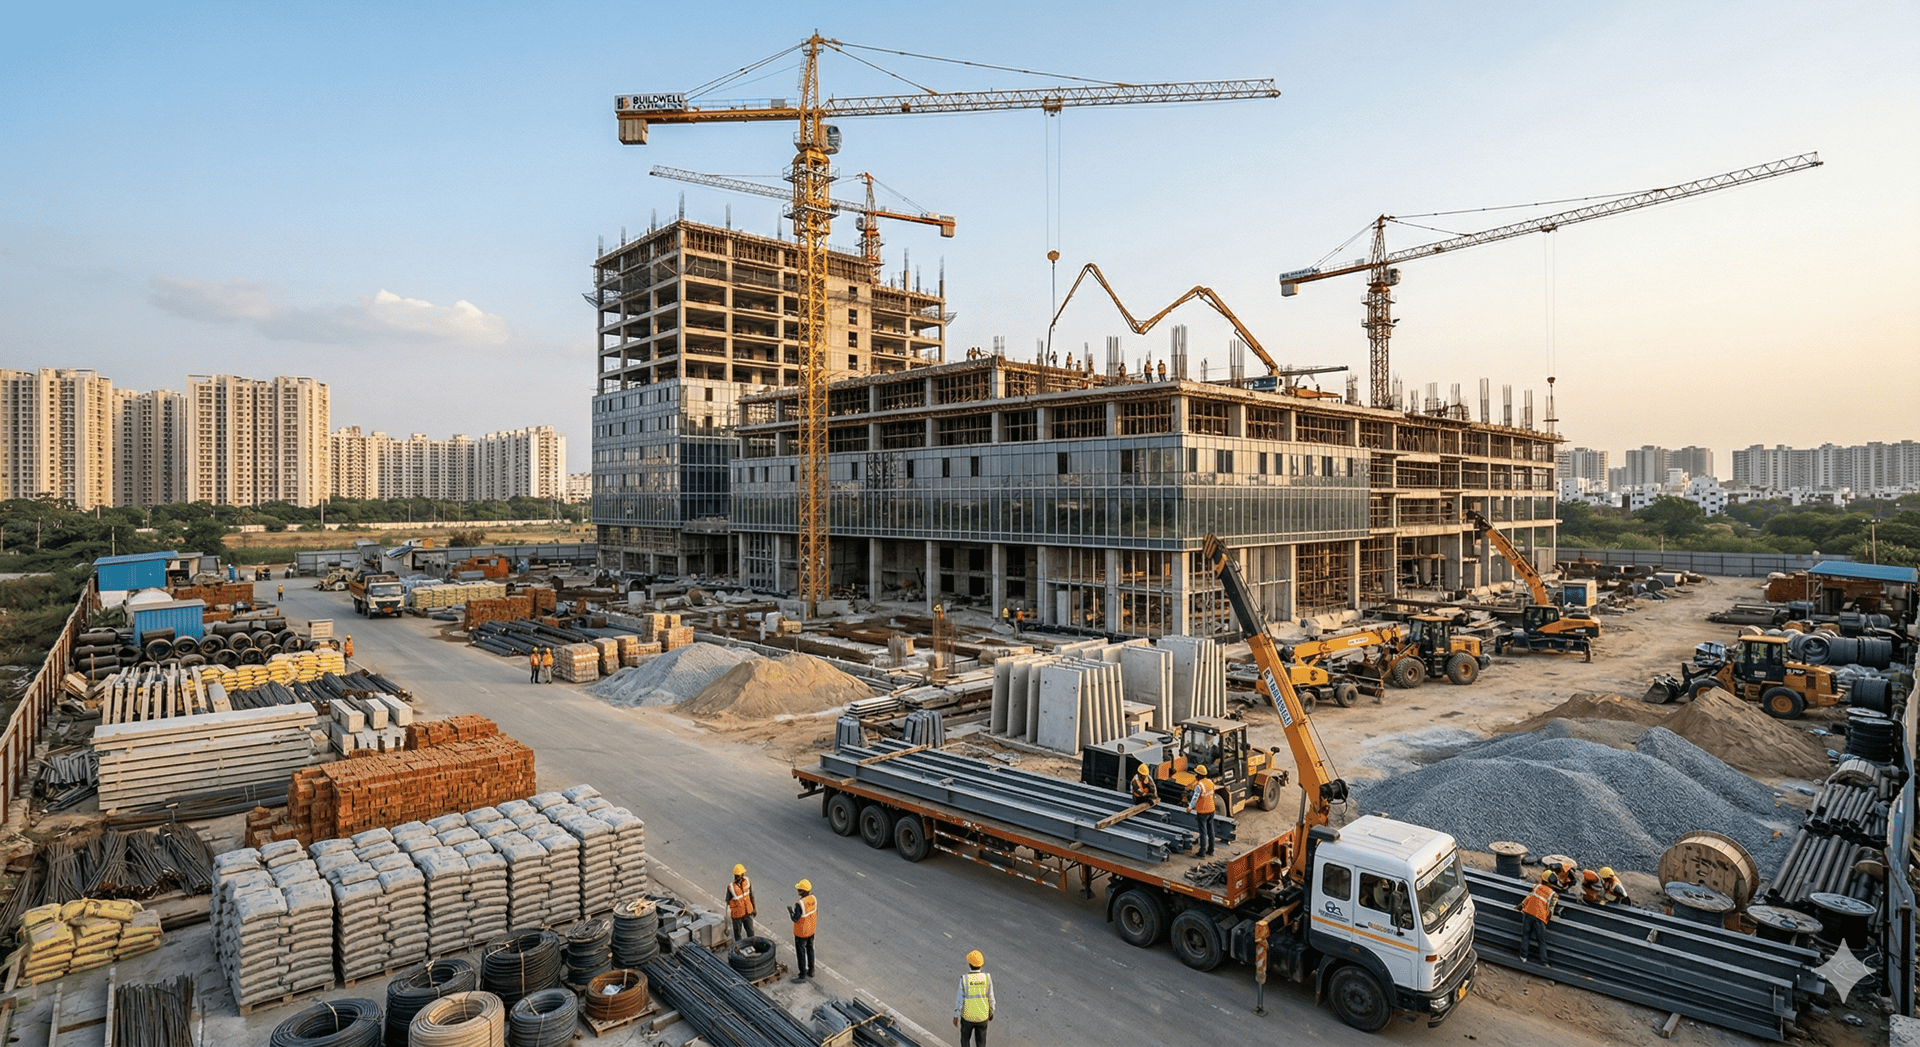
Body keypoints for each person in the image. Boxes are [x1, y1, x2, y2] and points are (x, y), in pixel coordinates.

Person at [952, 949, 995, 1046]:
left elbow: (959, 1000)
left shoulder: (964, 979)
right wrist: (991, 1012)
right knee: (981, 1043)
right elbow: (991, 998)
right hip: (982, 1017)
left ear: (969, 964)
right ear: (981, 964)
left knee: (965, 1040)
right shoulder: (987, 978)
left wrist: (956, 1015)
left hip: (967, 1018)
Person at [1519, 870, 1559, 967]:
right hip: (1540, 919)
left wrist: (1521, 905)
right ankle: (1544, 962)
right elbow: (1550, 910)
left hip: (1529, 914)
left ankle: (1523, 957)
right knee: (1541, 941)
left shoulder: (1536, 887)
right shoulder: (1554, 895)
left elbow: (1529, 898)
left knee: (1526, 936)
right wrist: (1546, 920)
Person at [1186, 765, 1218, 858]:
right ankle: (1211, 850)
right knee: (1211, 830)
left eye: (1196, 774)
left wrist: (1190, 807)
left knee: (1203, 832)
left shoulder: (1199, 785)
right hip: (1211, 810)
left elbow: (1195, 798)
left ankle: (1202, 853)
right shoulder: (1210, 782)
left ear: (1199, 775)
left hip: (1202, 812)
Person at [789, 879, 817, 982]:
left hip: (801, 933)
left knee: (801, 953)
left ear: (803, 891)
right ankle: (811, 970)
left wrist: (791, 912)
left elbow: (795, 919)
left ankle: (802, 975)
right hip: (811, 930)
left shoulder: (799, 904)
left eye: (799, 890)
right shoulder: (813, 899)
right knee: (810, 949)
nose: (798, 891)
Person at [727, 864, 757, 940]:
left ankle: (752, 945)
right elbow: (727, 903)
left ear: (743, 874)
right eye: (735, 875)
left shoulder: (747, 881)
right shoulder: (731, 887)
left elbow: (751, 895)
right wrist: (727, 921)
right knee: (737, 935)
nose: (736, 877)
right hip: (737, 916)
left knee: (750, 932)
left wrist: (754, 908)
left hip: (747, 913)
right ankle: (739, 947)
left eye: (738, 875)